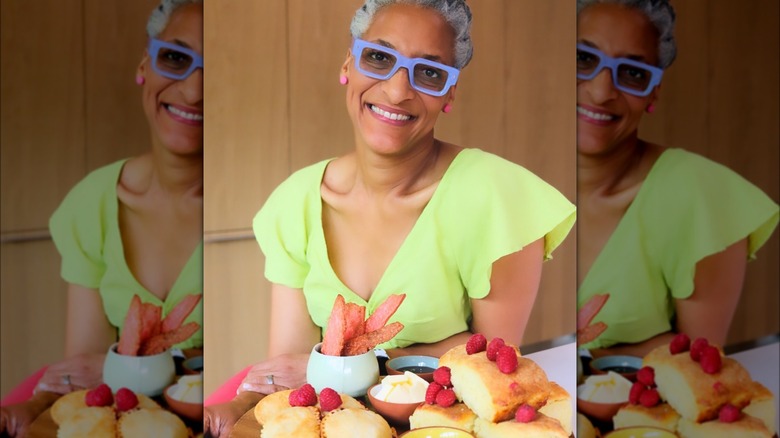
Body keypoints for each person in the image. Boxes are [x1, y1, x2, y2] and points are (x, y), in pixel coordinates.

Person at [203, 0, 575, 435]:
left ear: (450, 93)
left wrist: (358, 366)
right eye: (378, 58)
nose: (398, 90)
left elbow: (493, 356)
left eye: (430, 72)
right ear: (348, 64)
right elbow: (287, 369)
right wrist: (239, 407)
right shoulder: (295, 202)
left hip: (444, 421)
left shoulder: (497, 195)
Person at [0, 0, 203, 435]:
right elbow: (86, 375)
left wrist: (132, 366)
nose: (193, 90)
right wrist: (24, 412)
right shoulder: (92, 203)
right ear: (144, 67)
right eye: (176, 58)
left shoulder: (257, 208)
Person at [576, 0, 778, 357]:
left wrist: (579, 356)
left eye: (633, 74)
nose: (601, 91)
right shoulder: (509, 185)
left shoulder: (700, 194)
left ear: (654, 92)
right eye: (583, 58)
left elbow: (701, 357)